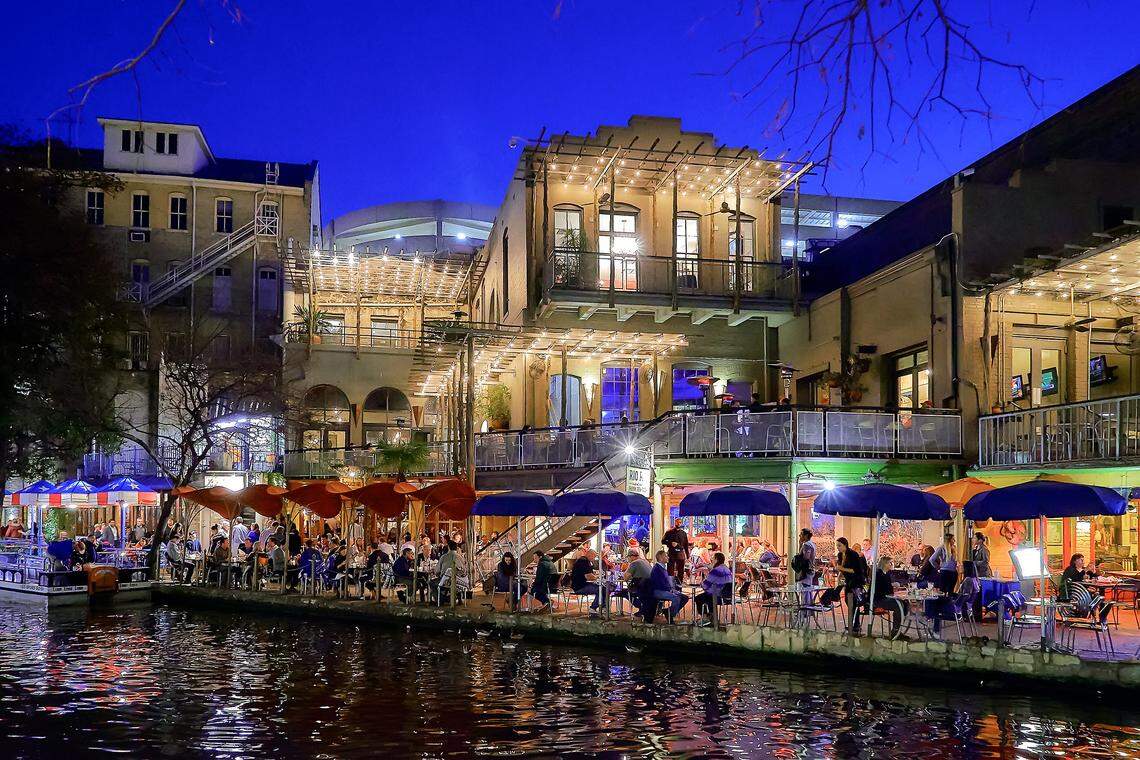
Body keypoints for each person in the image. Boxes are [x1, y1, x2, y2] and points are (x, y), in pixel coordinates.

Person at [646, 550, 688, 623]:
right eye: (666, 556)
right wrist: (670, 590)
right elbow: (658, 584)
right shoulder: (657, 569)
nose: (668, 557)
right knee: (676, 598)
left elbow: (666, 582)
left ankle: (669, 612)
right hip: (658, 591)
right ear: (661, 558)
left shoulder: (663, 568)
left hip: (664, 590)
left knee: (684, 598)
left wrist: (672, 589)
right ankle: (670, 614)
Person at [871, 555, 908, 639]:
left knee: (904, 603)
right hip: (878, 600)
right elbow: (885, 590)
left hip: (884, 597)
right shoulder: (878, 574)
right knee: (899, 605)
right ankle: (895, 631)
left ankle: (898, 629)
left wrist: (893, 587)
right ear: (885, 564)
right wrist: (893, 586)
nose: (892, 564)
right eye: (890, 563)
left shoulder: (886, 574)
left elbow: (889, 590)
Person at [835, 537, 867, 633]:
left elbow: (855, 570)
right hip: (848, 580)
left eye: (840, 545)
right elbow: (841, 568)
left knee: (853, 602)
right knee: (848, 601)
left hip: (856, 580)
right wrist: (839, 577)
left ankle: (855, 624)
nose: (838, 548)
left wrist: (842, 569)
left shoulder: (853, 554)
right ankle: (853, 623)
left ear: (845, 545)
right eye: (837, 546)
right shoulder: (840, 555)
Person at [695, 552, 733, 627]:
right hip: (727, 596)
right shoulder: (727, 569)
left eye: (713, 557)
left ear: (716, 559)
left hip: (718, 596)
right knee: (706, 596)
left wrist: (702, 581)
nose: (711, 559)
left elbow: (705, 585)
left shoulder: (716, 570)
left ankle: (706, 618)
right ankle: (712, 618)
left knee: (698, 598)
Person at [570, 546, 608, 615]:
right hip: (579, 586)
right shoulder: (583, 561)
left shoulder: (584, 561)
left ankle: (603, 607)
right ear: (590, 555)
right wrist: (598, 576)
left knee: (604, 587)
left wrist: (595, 575)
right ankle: (593, 608)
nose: (594, 559)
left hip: (581, 584)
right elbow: (589, 577)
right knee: (601, 589)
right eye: (594, 557)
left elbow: (589, 574)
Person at [615, 547, 653, 614]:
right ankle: (644, 608)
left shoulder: (634, 563)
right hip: (650, 587)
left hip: (640, 587)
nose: (628, 559)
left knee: (624, 592)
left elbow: (626, 578)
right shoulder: (645, 561)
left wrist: (627, 567)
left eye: (628, 557)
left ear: (631, 557)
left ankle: (642, 607)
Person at [792, 528, 818, 603]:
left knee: (805, 591)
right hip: (810, 570)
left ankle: (805, 611)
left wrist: (797, 559)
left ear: (806, 535)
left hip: (806, 571)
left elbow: (806, 557)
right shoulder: (812, 544)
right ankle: (808, 611)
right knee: (808, 591)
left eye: (801, 534)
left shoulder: (807, 544)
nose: (800, 536)